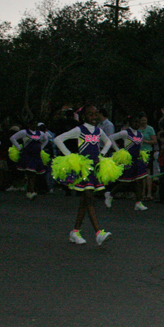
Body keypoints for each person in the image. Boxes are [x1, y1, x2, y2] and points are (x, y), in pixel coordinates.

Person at [53, 104, 114, 245]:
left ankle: (75, 232)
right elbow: (58, 139)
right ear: (84, 116)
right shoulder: (79, 130)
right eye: (91, 114)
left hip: (94, 168)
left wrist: (102, 154)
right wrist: (71, 157)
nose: (94, 117)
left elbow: (108, 142)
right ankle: (98, 233)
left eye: (95, 114)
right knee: (88, 197)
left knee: (85, 201)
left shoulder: (98, 131)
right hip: (83, 168)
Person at [106, 115, 149, 211]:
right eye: (135, 122)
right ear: (130, 123)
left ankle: (138, 202)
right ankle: (110, 194)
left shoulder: (140, 135)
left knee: (140, 181)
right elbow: (111, 137)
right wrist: (118, 151)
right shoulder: (125, 133)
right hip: (128, 160)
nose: (137, 124)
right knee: (125, 182)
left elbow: (139, 146)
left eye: (138, 122)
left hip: (137, 160)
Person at [10, 119, 49, 200]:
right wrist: (19, 148)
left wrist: (41, 148)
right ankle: (31, 191)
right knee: (30, 174)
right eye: (33, 124)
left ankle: (29, 191)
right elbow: (12, 138)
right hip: (27, 155)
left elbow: (46, 140)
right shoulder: (24, 132)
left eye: (36, 124)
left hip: (36, 156)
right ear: (29, 125)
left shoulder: (40, 133)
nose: (34, 126)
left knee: (34, 174)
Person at [137, 112, 157, 201]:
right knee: (140, 173)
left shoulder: (150, 129)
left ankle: (148, 193)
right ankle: (141, 193)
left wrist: (146, 141)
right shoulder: (137, 129)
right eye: (142, 120)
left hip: (148, 151)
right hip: (139, 152)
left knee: (147, 173)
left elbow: (154, 141)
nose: (144, 122)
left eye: (145, 120)